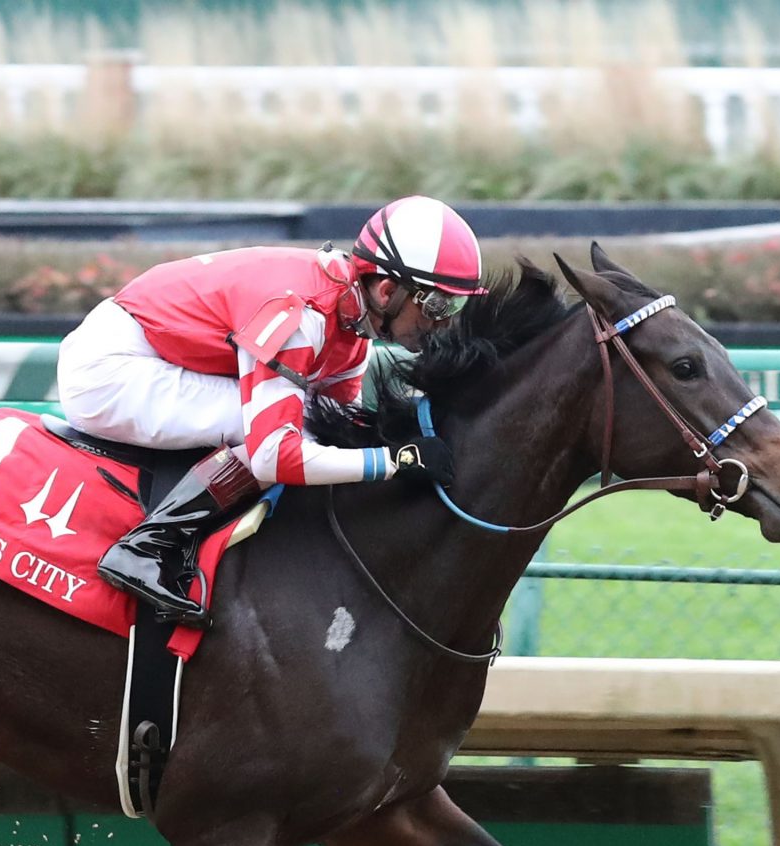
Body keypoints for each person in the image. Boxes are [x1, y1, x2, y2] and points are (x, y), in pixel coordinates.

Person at [57, 194, 487, 627]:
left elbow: (341, 428)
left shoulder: (352, 329)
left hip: (160, 355)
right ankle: (146, 546)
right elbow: (275, 454)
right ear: (388, 290)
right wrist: (396, 461)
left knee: (319, 427)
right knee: (292, 431)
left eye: (455, 306)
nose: (444, 322)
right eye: (436, 304)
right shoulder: (302, 315)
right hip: (110, 370)